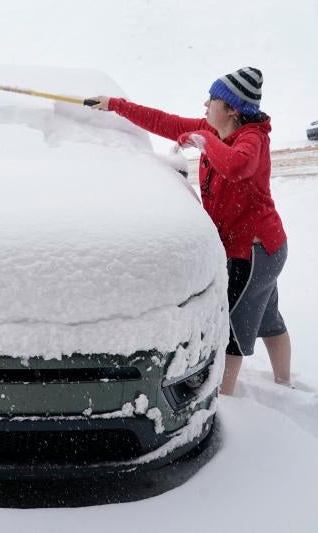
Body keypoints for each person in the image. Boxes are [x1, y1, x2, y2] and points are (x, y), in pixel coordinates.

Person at [90, 67, 291, 395]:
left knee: (233, 334)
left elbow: (236, 166)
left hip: (253, 253)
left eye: (211, 99)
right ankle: (286, 382)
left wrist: (204, 140)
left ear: (231, 109)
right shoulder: (211, 129)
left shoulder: (252, 140)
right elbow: (163, 122)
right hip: (264, 249)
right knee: (268, 318)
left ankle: (227, 401)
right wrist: (115, 104)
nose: (204, 104)